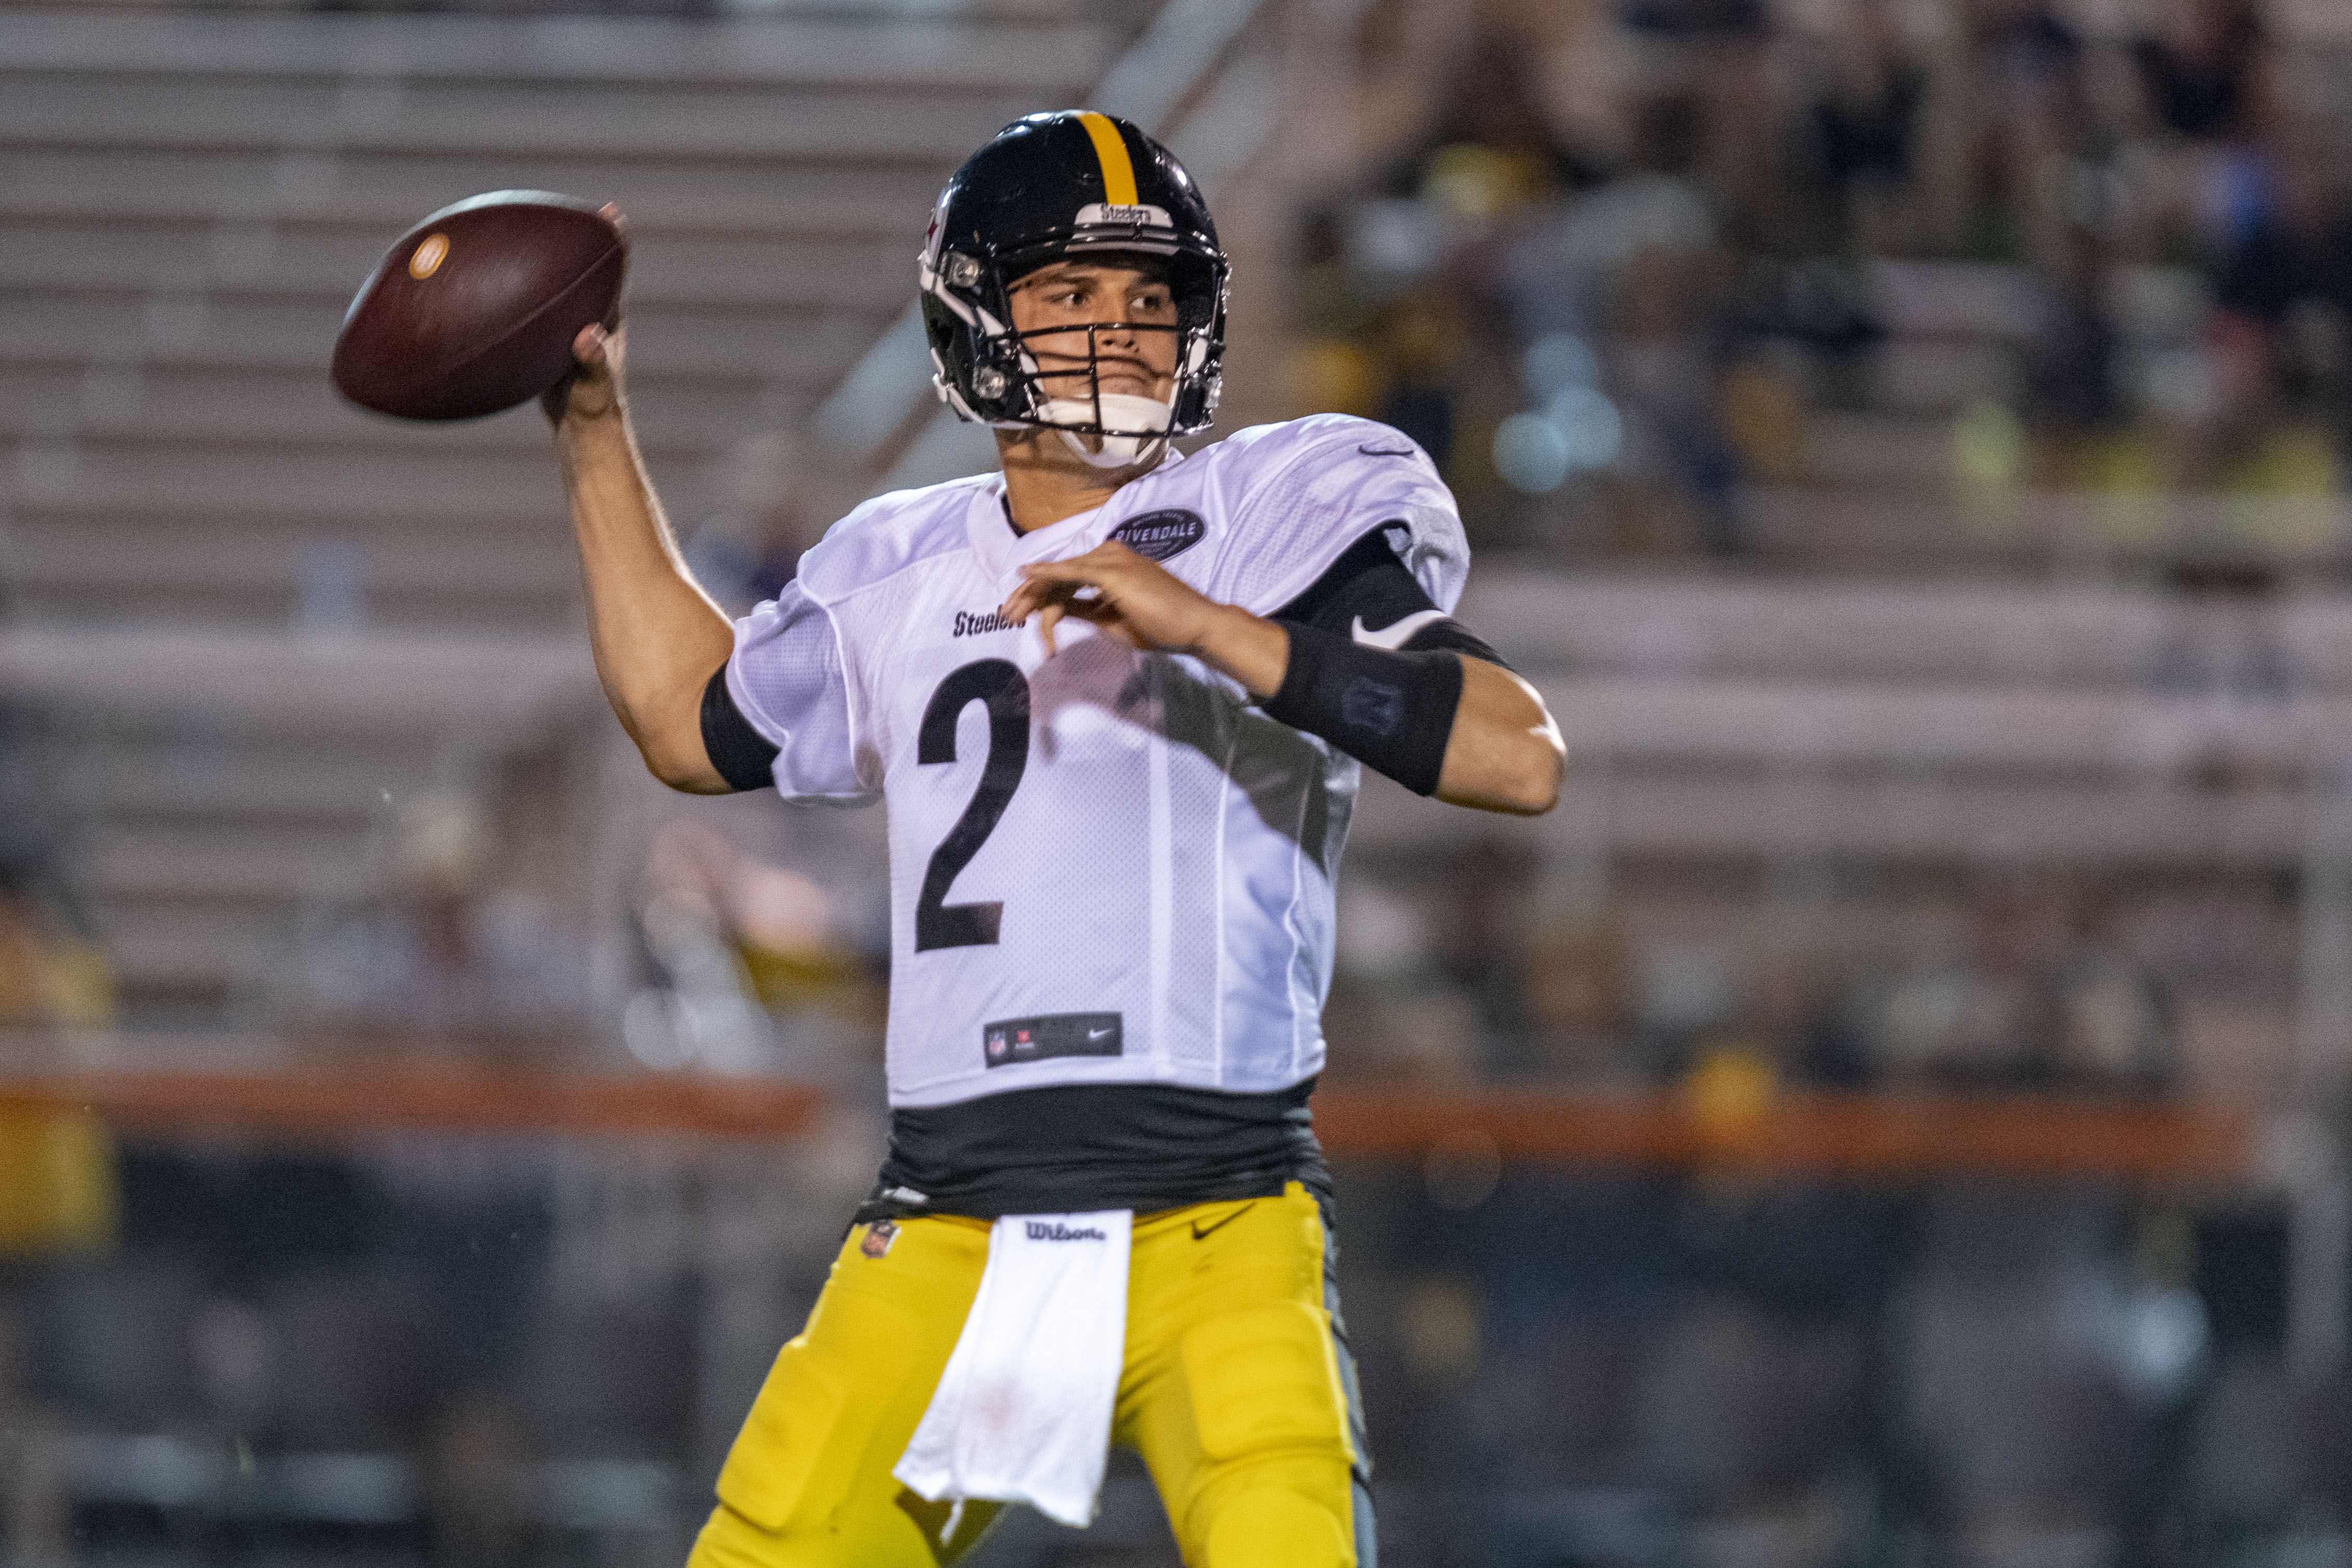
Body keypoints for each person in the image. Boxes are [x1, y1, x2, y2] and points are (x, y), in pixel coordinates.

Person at [544, 110, 1564, 1568]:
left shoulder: (1273, 508)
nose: (1120, 337)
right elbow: (686, 725)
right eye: (1069, 295)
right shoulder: (898, 558)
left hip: (1217, 1223)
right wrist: (589, 432)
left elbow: (1512, 758)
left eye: (1150, 301)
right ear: (973, 320)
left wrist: (1216, 629)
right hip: (946, 1227)